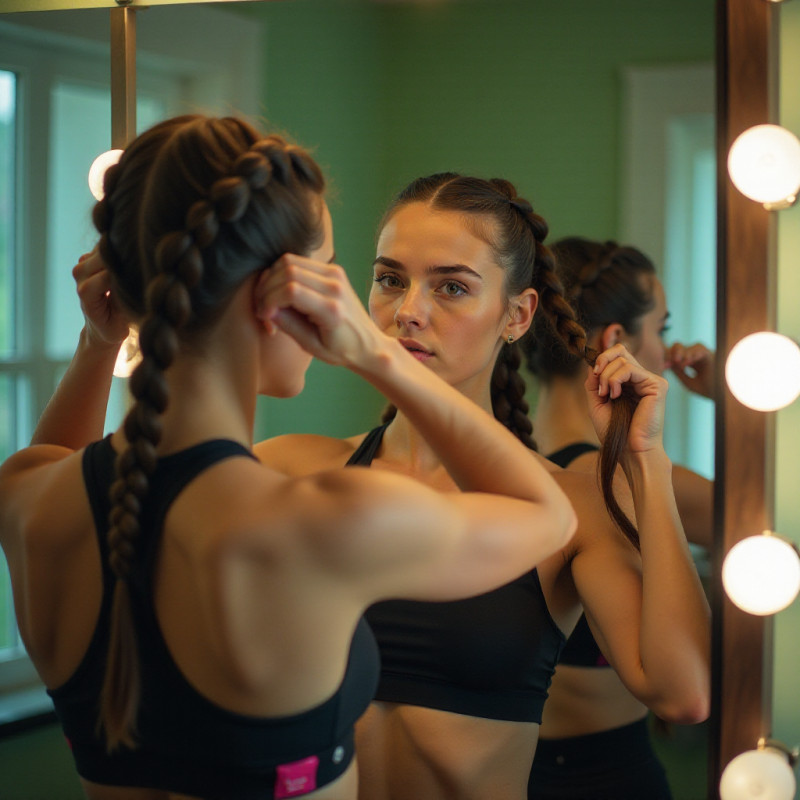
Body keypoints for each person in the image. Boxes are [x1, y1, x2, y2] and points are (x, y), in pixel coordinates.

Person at [39, 171, 710, 800]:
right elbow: (70, 499)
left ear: (518, 314)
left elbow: (682, 694)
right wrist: (99, 343)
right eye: (390, 280)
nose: (408, 311)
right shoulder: (294, 470)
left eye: (451, 287)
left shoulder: (570, 503)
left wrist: (645, 460)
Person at [524, 236, 715, 799]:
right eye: (661, 327)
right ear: (615, 343)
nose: (669, 347)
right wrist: (725, 397)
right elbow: (768, 513)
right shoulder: (613, 484)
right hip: (608, 777)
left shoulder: (512, 464)